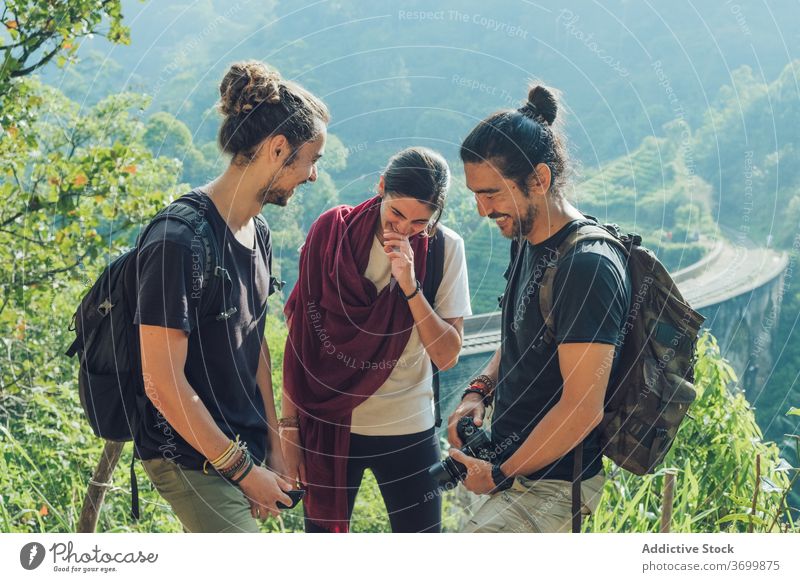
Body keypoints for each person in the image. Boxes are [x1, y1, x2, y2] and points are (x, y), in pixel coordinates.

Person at [135, 60, 329, 532]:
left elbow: (253, 345)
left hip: (239, 449)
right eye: (312, 160)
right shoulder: (177, 240)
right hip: (190, 455)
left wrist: (275, 448)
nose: (313, 176)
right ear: (278, 149)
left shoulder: (256, 232)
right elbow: (161, 381)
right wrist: (242, 472)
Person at [447, 84, 632, 533]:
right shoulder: (527, 239)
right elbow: (518, 338)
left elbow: (582, 408)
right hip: (506, 471)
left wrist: (501, 472)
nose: (481, 210)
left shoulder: (587, 266)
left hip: (548, 489)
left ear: (541, 179)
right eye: (475, 194)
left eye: (491, 193)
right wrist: (478, 390)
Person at [281, 147, 472, 533]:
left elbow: (448, 355)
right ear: (381, 187)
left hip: (408, 428)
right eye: (396, 213)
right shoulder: (332, 235)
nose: (403, 229)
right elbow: (304, 342)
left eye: (420, 221)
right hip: (332, 422)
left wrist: (410, 285)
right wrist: (290, 428)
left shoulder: (445, 249)